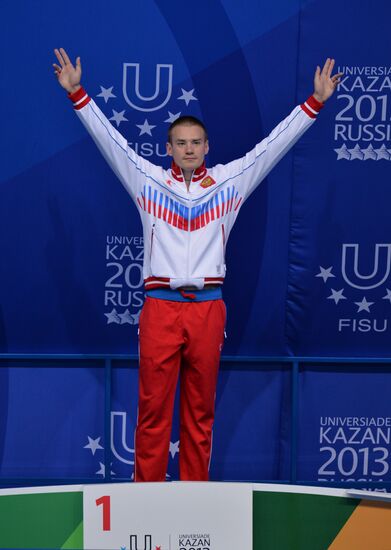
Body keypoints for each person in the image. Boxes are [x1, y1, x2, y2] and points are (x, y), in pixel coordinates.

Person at [53, 48, 342, 482]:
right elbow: (110, 141)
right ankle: (146, 502)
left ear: (207, 147)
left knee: (200, 413)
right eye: (180, 143)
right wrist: (78, 94)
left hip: (208, 309)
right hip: (160, 308)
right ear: (168, 148)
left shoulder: (230, 181)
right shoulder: (146, 180)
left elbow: (273, 147)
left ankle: (195, 502)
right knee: (152, 413)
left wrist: (314, 103)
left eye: (196, 143)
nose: (188, 150)